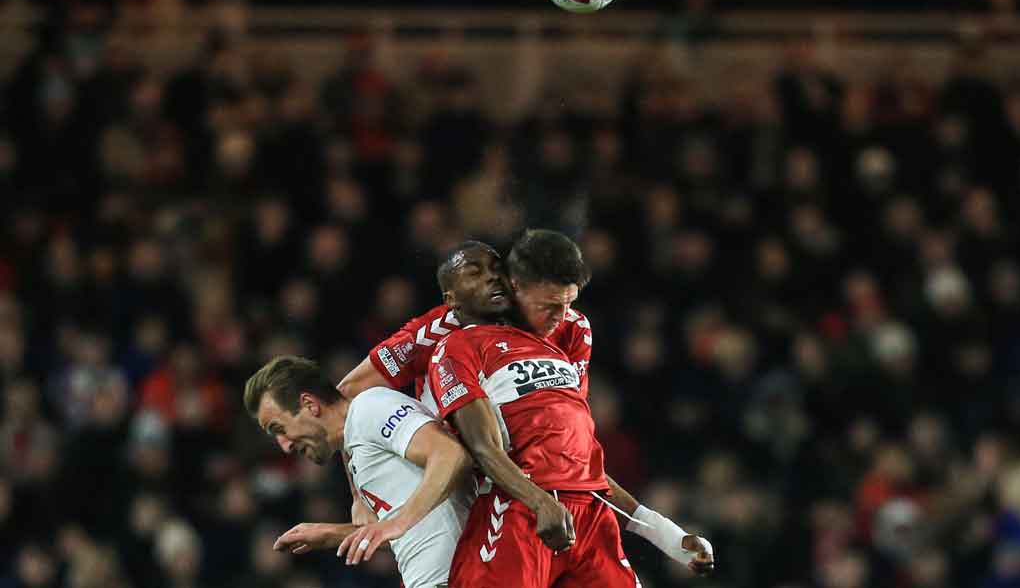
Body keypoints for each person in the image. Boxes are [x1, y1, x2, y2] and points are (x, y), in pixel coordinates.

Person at [341, 231, 714, 579]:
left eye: (568, 304)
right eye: (549, 306)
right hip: (475, 486)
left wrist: (667, 535)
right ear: (515, 288)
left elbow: (571, 454)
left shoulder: (571, 330)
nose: (561, 317)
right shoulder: (445, 334)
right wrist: (361, 495)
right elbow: (349, 394)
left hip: (549, 494)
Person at [243, 355, 475, 588]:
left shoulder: (369, 408)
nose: (285, 446)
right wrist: (332, 534)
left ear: (310, 405)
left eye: (279, 429)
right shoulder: (356, 447)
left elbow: (450, 454)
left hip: (458, 577)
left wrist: (397, 523)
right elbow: (406, 530)